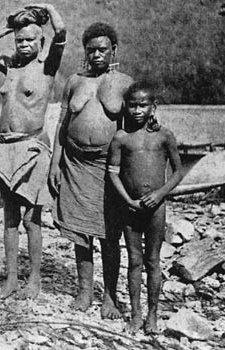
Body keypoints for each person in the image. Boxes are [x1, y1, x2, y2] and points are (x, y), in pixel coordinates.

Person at [0, 3, 66, 300]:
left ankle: (35, 279)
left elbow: (61, 31)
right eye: (19, 39)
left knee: (31, 219)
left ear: (41, 42)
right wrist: (10, 22)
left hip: (33, 147)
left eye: (30, 40)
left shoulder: (47, 66)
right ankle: (11, 278)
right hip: (6, 147)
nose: (24, 44)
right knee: (10, 218)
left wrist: (47, 8)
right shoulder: (10, 66)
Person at [48, 22, 133, 319]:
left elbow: (137, 126)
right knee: (80, 234)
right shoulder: (74, 81)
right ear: (84, 52)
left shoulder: (124, 82)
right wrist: (55, 163)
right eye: (91, 50)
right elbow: (61, 125)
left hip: (107, 168)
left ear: (114, 51)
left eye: (102, 50)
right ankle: (84, 291)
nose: (97, 55)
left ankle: (110, 295)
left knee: (109, 234)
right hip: (74, 164)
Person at [107, 82, 183, 334]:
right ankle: (136, 314)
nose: (137, 110)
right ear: (125, 107)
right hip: (130, 208)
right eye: (132, 105)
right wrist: (127, 201)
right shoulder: (121, 138)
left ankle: (153, 315)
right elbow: (113, 174)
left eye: (143, 105)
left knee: (152, 261)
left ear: (153, 107)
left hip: (156, 208)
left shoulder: (164, 135)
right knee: (134, 261)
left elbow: (178, 171)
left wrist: (160, 194)